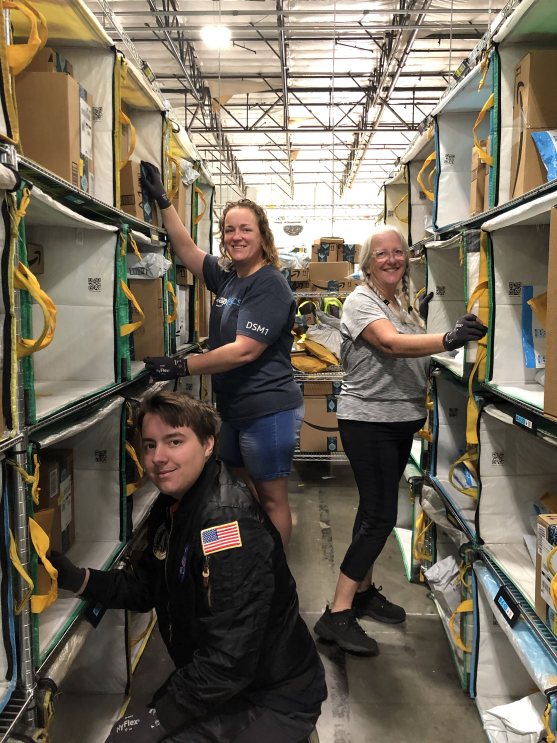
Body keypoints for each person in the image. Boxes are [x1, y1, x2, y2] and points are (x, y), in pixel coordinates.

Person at [49, 391, 326, 743]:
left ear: (208, 444)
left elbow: (230, 658)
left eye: (174, 441)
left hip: (270, 696)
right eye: (149, 445)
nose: (158, 458)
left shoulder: (226, 528)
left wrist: (160, 719)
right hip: (226, 680)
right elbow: (147, 587)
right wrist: (81, 580)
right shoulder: (173, 506)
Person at [314, 225, 487, 655]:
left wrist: (421, 320)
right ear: (367, 262)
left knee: (372, 513)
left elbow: (406, 341)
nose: (391, 259)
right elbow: (390, 345)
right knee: (379, 519)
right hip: (369, 423)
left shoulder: (398, 300)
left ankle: (363, 593)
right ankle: (336, 614)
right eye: (381, 254)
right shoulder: (360, 301)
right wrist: (447, 339)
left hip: (397, 422)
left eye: (398, 253)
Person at [140, 164, 303, 547]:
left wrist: (181, 364)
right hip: (231, 410)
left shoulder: (270, 284)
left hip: (269, 411)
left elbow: (244, 351)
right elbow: (185, 249)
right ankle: (246, 562)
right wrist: (164, 199)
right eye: (230, 230)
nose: (236, 236)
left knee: (271, 497)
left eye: (246, 229)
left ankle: (274, 579)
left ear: (263, 236)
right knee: (239, 492)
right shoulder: (229, 278)